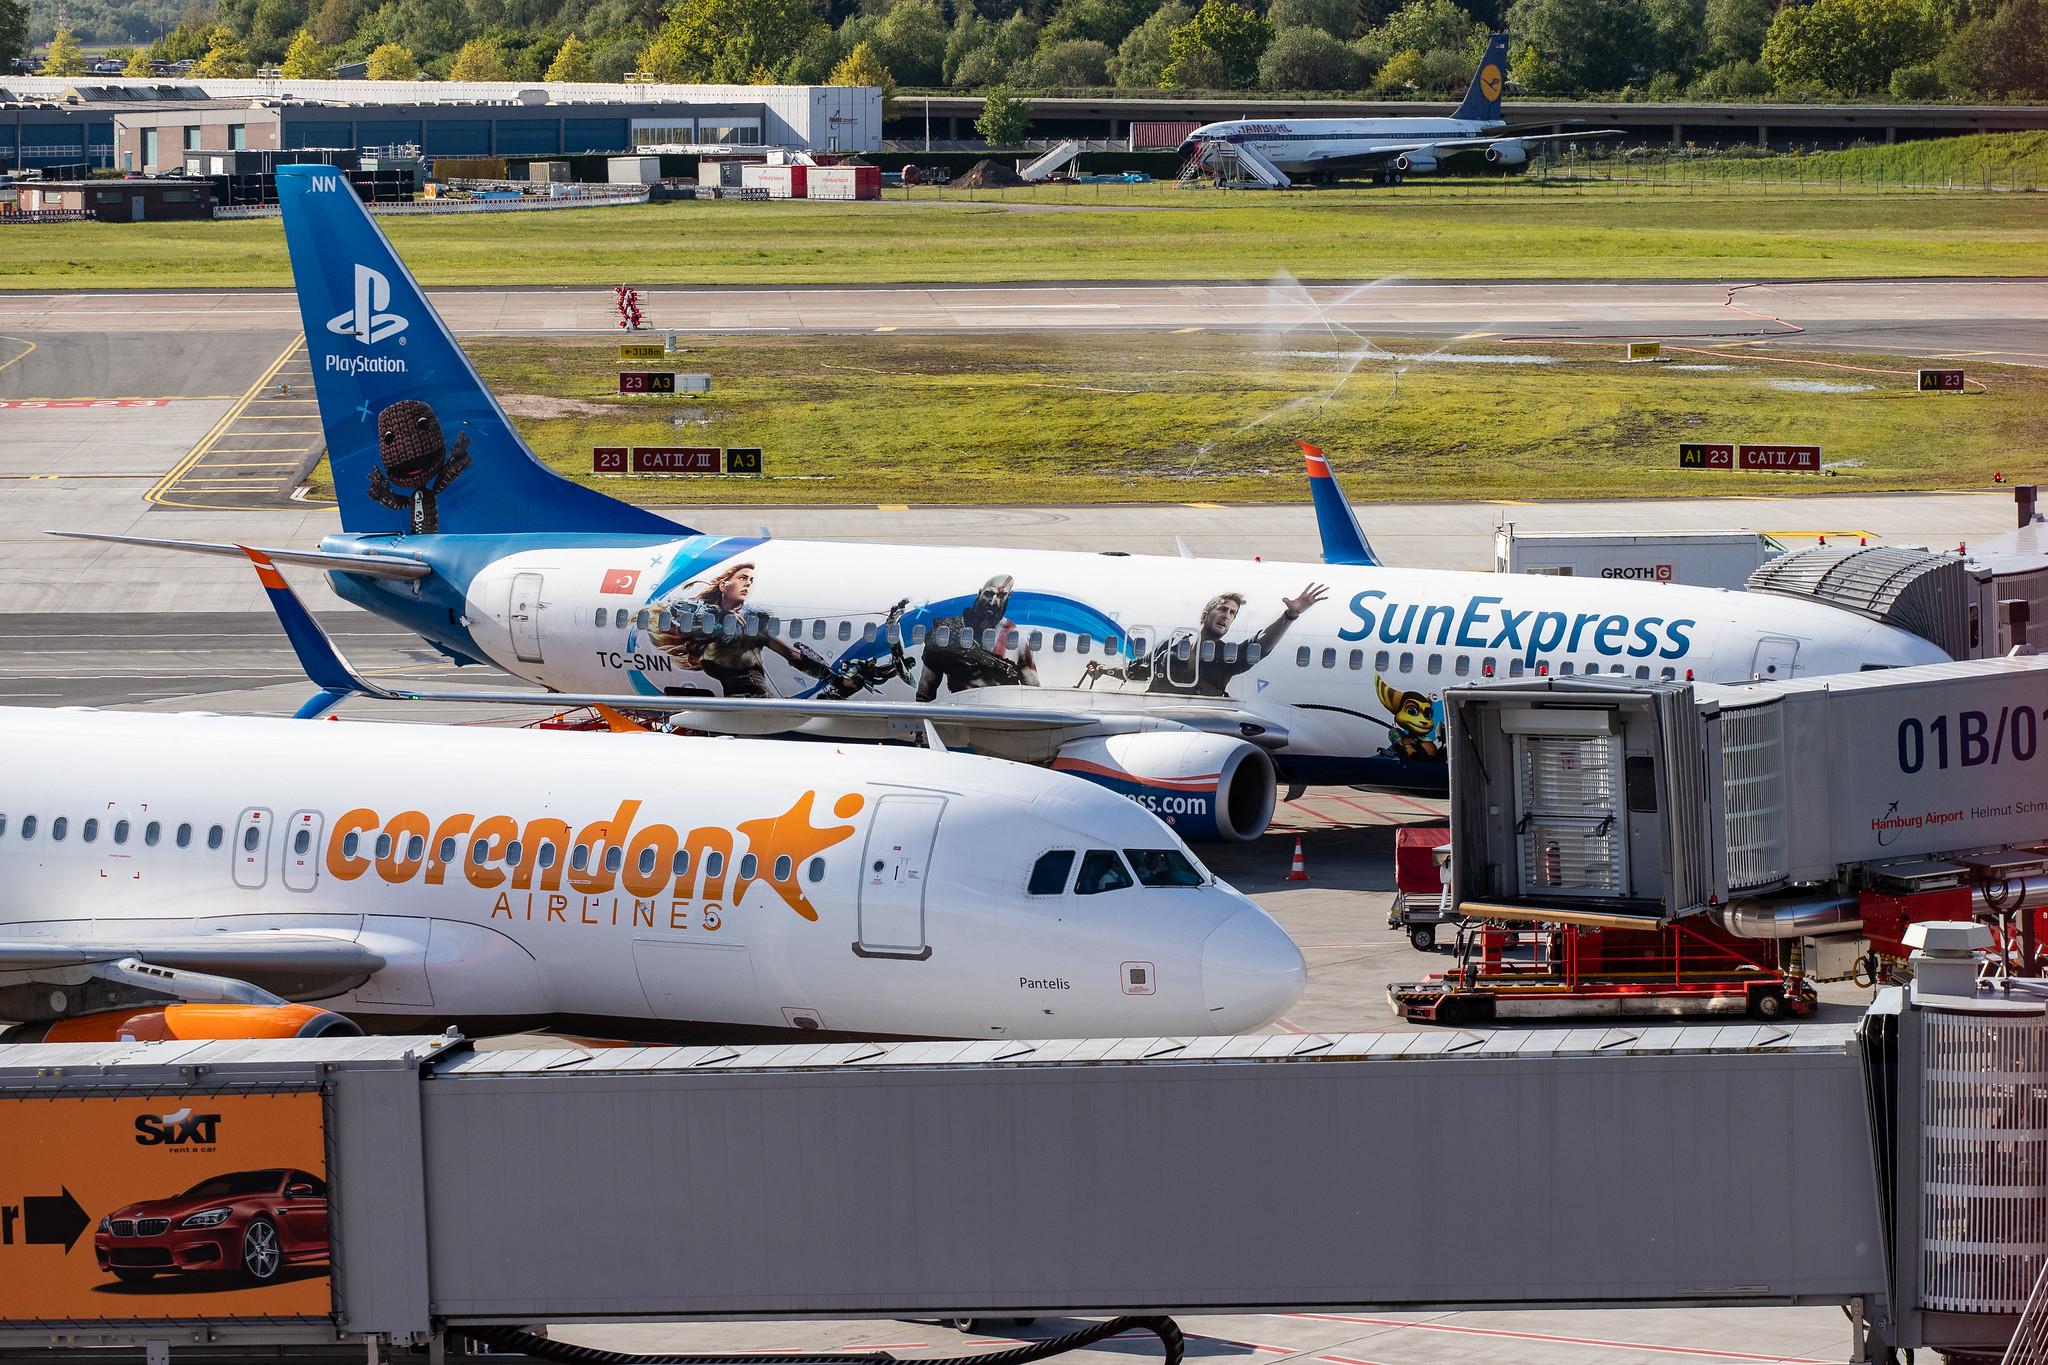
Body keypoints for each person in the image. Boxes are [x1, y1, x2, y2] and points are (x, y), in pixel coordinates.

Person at [1089, 582, 1328, 698]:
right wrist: (1103, 670)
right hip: (1157, 720)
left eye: (1232, 613)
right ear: (1205, 615)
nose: (1227, 616)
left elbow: (1261, 645)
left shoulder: (1228, 656)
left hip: (1198, 730)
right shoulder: (1172, 644)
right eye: (1223, 610)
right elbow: (1136, 671)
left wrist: (1290, 615)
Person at [647, 562, 829, 698]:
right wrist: (721, 621)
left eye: (751, 580)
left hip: (753, 697)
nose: (748, 583)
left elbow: (790, 654)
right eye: (742, 578)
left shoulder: (753, 619)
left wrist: (829, 677)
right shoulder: (699, 613)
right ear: (723, 585)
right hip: (744, 702)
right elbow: (676, 616)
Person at [915, 574, 1040, 702]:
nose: (993, 602)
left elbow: (1034, 694)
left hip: (1003, 716)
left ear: (1009, 597)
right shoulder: (948, 631)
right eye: (989, 594)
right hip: (961, 714)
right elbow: (925, 691)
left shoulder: (1017, 638)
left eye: (1001, 596)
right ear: (980, 593)